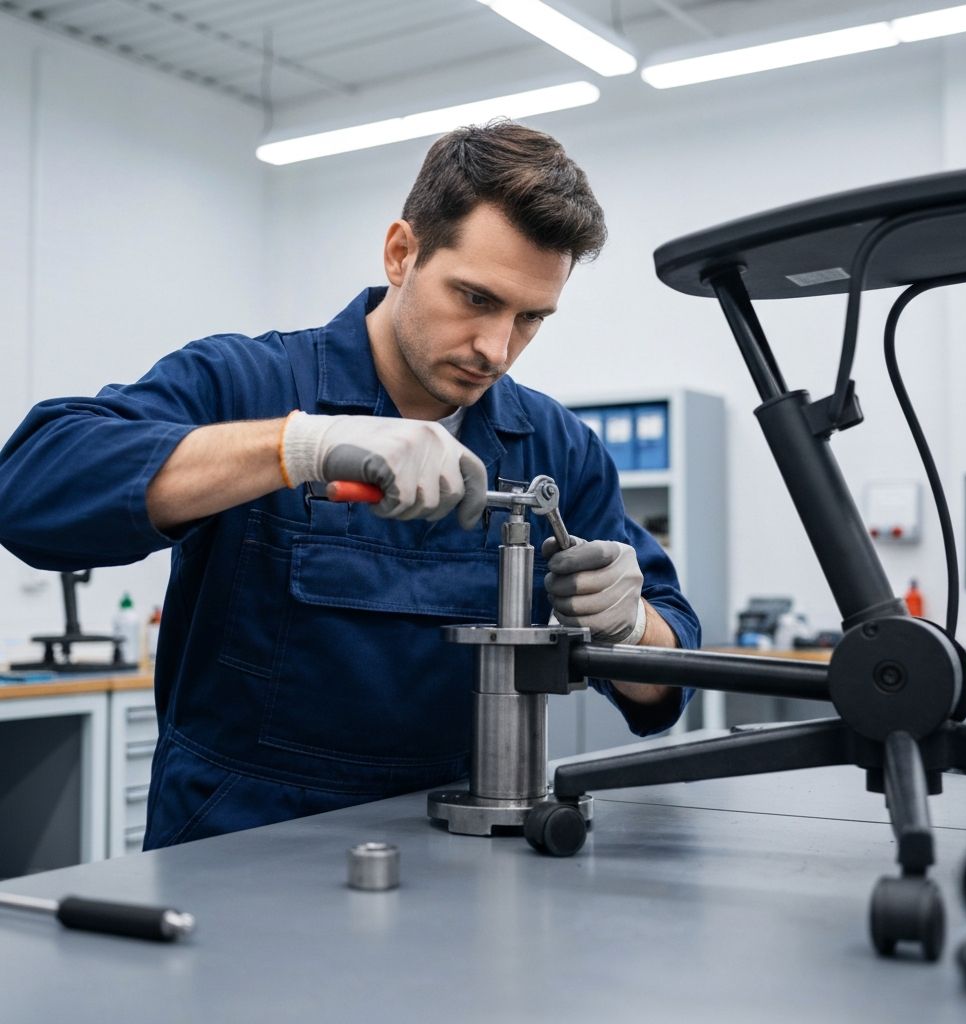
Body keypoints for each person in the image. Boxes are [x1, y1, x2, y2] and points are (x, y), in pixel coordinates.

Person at [0, 120, 700, 848]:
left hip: (461, 854)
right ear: (401, 253)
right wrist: (300, 445)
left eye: (530, 318)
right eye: (475, 298)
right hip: (237, 852)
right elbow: (31, 487)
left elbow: (665, 685)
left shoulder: (557, 449)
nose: (496, 349)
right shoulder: (246, 384)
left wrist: (627, 627)